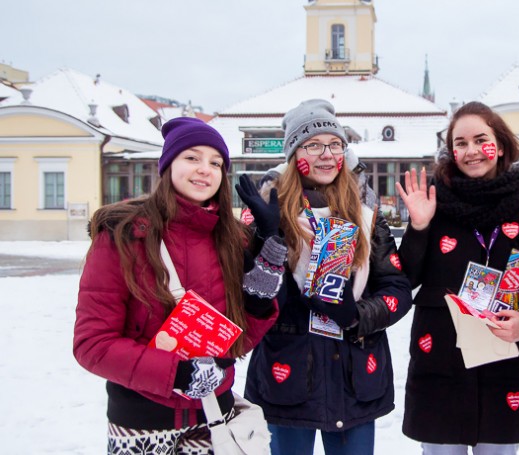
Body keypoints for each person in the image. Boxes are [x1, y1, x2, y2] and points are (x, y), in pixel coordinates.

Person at [74, 117, 285, 453]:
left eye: (215, 163)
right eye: (192, 158)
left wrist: (263, 276)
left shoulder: (231, 240)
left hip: (214, 419)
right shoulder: (122, 236)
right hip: (142, 424)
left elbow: (238, 341)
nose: (205, 169)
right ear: (168, 164)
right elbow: (93, 344)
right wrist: (177, 374)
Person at [243, 99, 413, 455]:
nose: (326, 154)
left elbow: (397, 287)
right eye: (313, 145)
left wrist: (357, 316)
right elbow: (250, 298)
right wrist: (267, 238)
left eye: (335, 145)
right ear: (293, 153)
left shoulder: (364, 214)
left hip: (355, 378)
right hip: (288, 377)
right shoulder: (268, 212)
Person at [396, 101, 519, 454]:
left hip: (502, 360)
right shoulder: (433, 202)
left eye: (481, 139)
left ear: (501, 145)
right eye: (460, 143)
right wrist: (418, 227)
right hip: (441, 362)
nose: (471, 151)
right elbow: (406, 278)